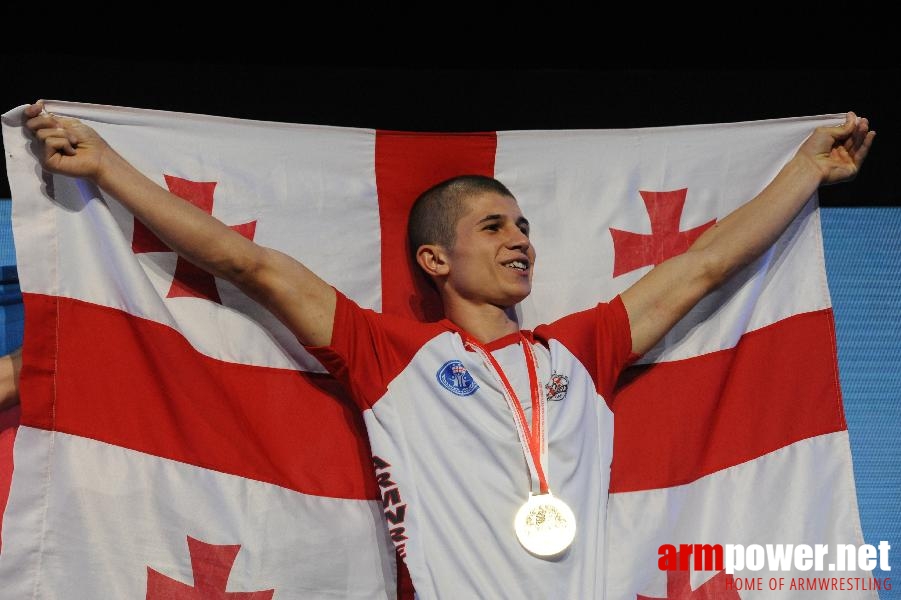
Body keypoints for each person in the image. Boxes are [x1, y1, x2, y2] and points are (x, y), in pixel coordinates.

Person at [23, 101, 874, 598]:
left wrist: (806, 168)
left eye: (527, 226)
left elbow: (704, 265)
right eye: (494, 226)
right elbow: (244, 261)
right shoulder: (388, 353)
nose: (522, 241)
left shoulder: (582, 346)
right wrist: (106, 168)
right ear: (436, 259)